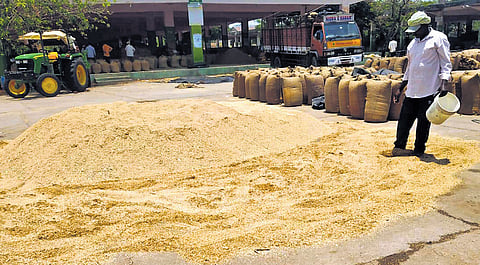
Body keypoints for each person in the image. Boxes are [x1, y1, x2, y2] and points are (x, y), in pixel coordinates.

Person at [392, 11, 452, 157]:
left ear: (425, 26)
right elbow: (410, 68)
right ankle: (399, 147)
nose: (414, 34)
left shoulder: (438, 39)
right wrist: (401, 87)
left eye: (416, 30)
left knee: (424, 123)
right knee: (404, 121)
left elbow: (446, 64)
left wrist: (444, 86)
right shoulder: (412, 44)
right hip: (412, 90)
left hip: (429, 90)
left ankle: (419, 150)